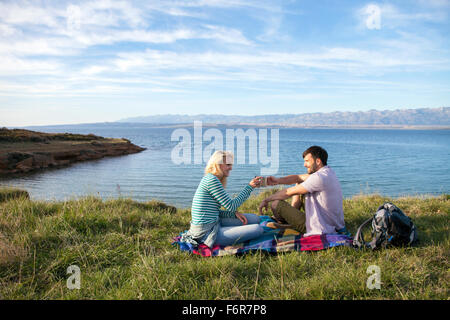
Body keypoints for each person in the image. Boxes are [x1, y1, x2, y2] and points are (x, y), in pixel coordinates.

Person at [180, 150, 264, 248]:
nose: (231, 168)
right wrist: (250, 187)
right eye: (228, 164)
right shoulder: (211, 180)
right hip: (206, 233)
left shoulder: (212, 179)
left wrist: (232, 214)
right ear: (218, 164)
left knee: (256, 218)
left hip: (215, 222)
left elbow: (213, 212)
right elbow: (232, 206)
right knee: (258, 229)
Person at [258, 145, 348, 236]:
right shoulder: (328, 173)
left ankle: (287, 224)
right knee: (299, 183)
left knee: (276, 204)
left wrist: (266, 200)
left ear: (318, 161)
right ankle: (289, 222)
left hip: (318, 227)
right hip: (331, 224)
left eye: (307, 161)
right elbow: (298, 177)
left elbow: (288, 192)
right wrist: (277, 180)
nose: (304, 164)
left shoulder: (318, 178)